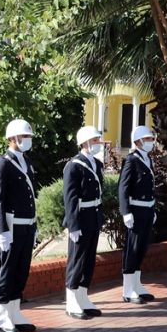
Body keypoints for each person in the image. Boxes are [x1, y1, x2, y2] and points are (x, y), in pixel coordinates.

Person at [0, 119, 38, 332]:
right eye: (24, 136)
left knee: (21, 270)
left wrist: (34, 223)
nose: (27, 140)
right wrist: (2, 230)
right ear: (12, 138)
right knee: (7, 272)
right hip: (11, 225)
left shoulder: (26, 161)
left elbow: (30, 197)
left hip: (26, 224)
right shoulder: (2, 163)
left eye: (28, 136)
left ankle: (15, 312)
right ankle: (2, 318)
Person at [63, 125, 105, 319]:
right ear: (85, 143)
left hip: (93, 216)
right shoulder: (74, 165)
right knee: (77, 260)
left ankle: (83, 296)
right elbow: (70, 197)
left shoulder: (96, 164)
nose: (98, 143)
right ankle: (71, 301)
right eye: (95, 140)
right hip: (81, 217)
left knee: (88, 260)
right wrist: (73, 224)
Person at [117, 125, 158, 304]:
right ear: (138, 141)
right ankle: (128, 289)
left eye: (151, 139)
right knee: (132, 250)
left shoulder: (148, 159)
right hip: (135, 209)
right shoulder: (131, 160)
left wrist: (153, 208)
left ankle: (137, 284)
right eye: (148, 139)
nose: (151, 142)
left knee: (142, 248)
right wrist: (126, 212)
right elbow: (123, 187)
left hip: (147, 209)